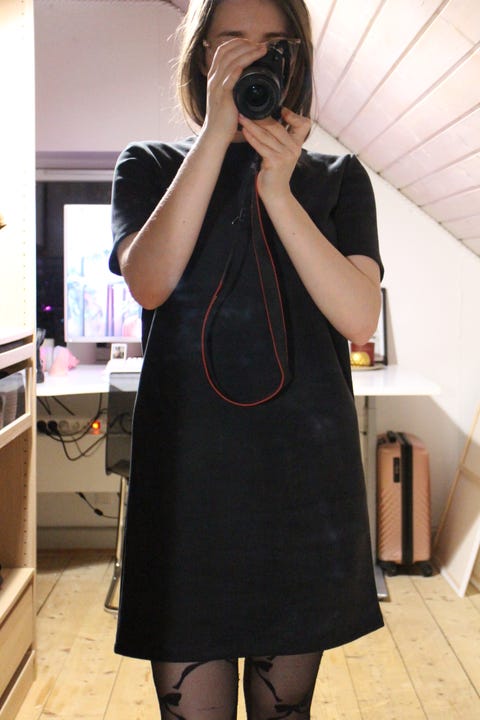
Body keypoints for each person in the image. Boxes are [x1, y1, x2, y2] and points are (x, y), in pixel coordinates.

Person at [109, 0, 384, 717]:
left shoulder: (337, 177)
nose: (252, 59)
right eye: (232, 42)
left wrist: (278, 191)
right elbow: (149, 281)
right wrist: (214, 137)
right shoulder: (149, 167)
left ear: (296, 61)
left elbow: (359, 317)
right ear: (203, 56)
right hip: (187, 488)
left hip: (302, 489)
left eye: (273, 45)